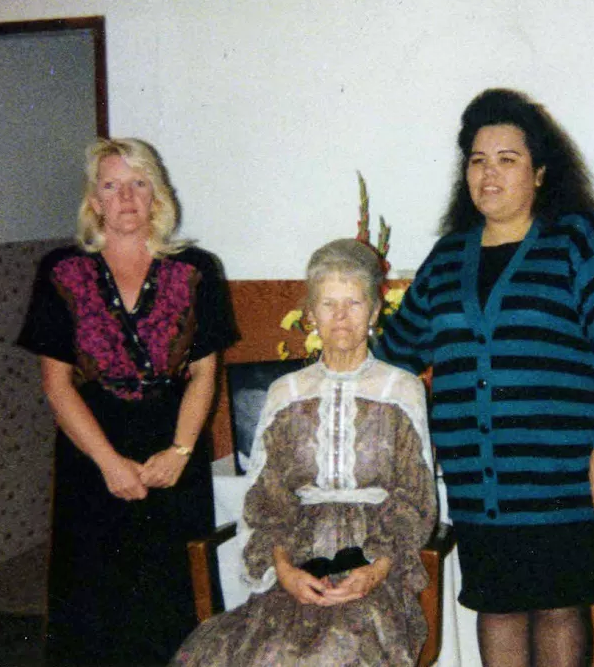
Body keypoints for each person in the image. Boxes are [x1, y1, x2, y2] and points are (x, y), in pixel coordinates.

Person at [377, 89, 594, 667]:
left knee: (557, 607)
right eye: (477, 160)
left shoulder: (583, 238)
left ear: (541, 172)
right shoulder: (449, 257)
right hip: (483, 486)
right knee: (496, 606)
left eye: (507, 158)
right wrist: (341, 337)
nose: (489, 173)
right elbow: (398, 351)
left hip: (565, 477)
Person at [17, 138, 237, 666]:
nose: (126, 198)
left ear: (157, 194)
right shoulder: (62, 270)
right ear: (94, 200)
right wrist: (109, 463)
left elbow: (205, 373)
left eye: (138, 183)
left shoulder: (197, 269)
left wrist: (180, 453)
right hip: (93, 457)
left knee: (172, 605)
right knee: (94, 611)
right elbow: (57, 384)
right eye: (111, 186)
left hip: (172, 454)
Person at [174, 239, 437, 667]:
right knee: (248, 653)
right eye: (327, 304)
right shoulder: (287, 393)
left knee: (337, 652)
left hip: (372, 560)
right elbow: (268, 496)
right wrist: (285, 571)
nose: (340, 316)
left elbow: (415, 496)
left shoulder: (401, 389)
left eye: (353, 303)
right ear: (311, 314)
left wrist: (377, 570)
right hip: (298, 557)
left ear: (373, 313)